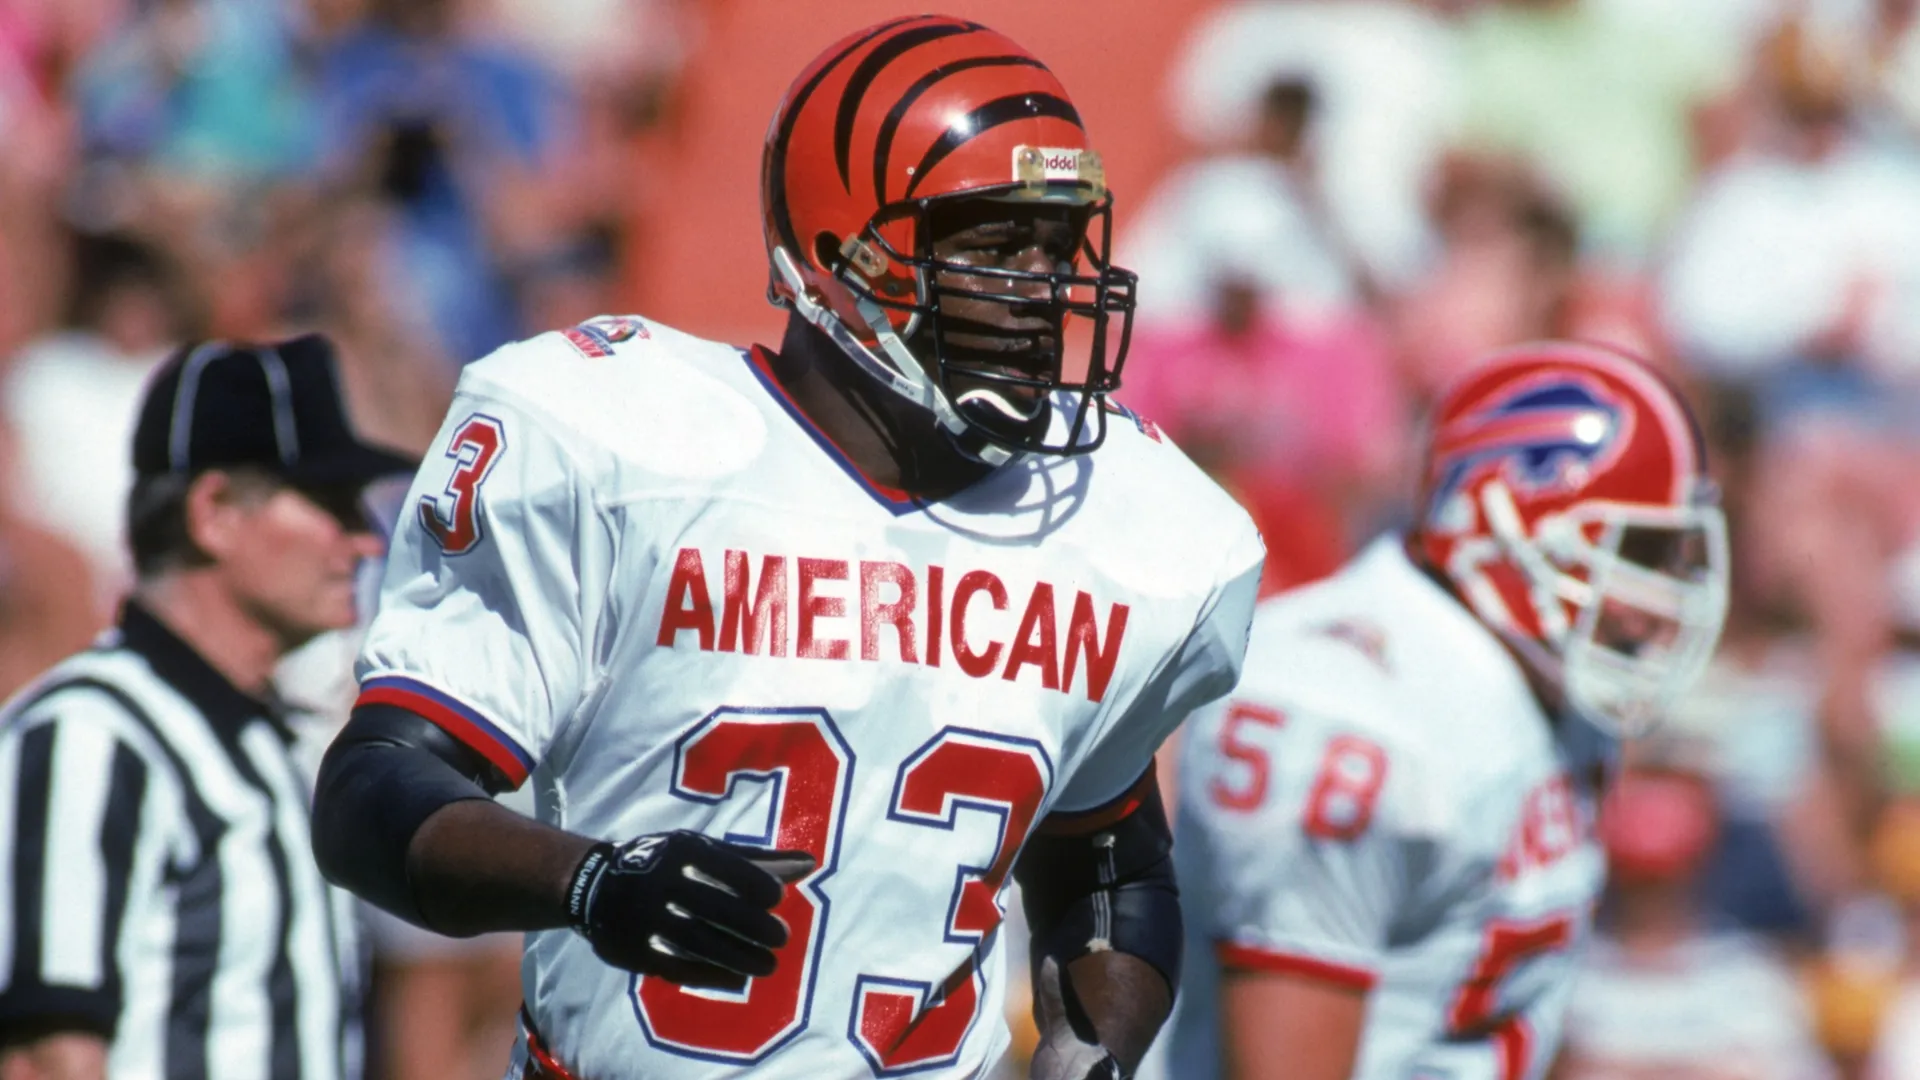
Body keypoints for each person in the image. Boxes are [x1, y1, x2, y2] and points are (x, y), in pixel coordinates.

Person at [310, 14, 1265, 1080]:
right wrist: (593, 884)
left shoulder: (1113, 520)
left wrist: (1095, 1051)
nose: (1043, 290)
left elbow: (1108, 861)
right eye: (994, 247)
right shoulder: (624, 443)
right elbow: (375, 793)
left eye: (1057, 245)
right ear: (837, 255)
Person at [1145, 340, 1733, 1080]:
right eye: (1638, 554)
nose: (1659, 602)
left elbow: (1508, 1000)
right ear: (1501, 528)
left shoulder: (1547, 681)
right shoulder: (1341, 711)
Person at [0, 334, 417, 1079]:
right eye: (330, 503)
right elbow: (44, 1055)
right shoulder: (92, 737)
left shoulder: (269, 742)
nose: (365, 541)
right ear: (214, 511)